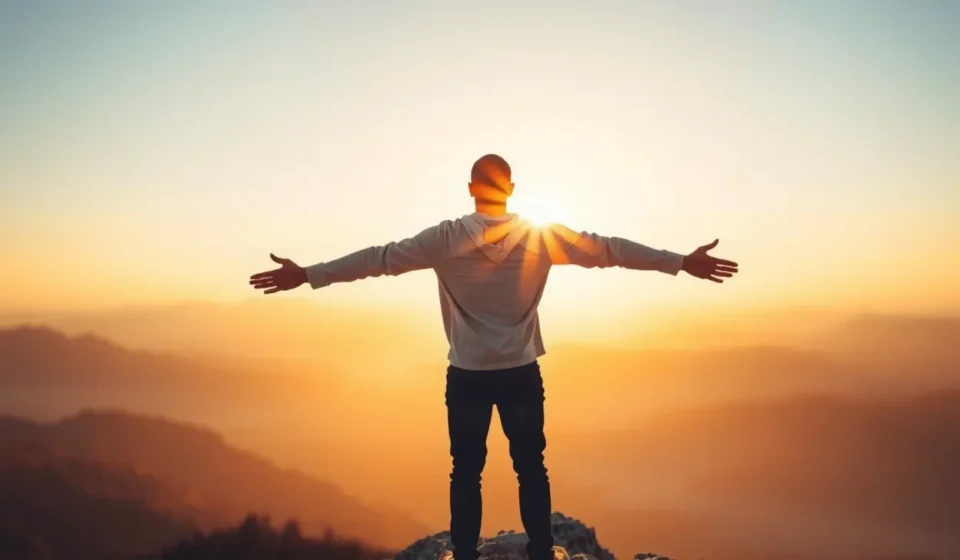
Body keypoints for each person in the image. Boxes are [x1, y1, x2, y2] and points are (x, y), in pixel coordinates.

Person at [248, 154, 739, 560]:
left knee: (466, 469)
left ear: (470, 188)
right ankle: (543, 553)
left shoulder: (444, 238)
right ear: (512, 188)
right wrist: (679, 262)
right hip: (522, 372)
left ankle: (463, 555)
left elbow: (378, 259)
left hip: (467, 376)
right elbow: (609, 249)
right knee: (532, 467)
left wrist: (310, 274)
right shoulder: (540, 237)